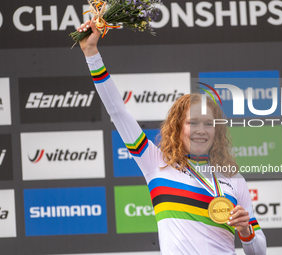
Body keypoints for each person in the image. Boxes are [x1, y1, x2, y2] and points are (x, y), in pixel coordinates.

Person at [77, 19, 266, 255]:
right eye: (192, 122)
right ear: (177, 127)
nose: (201, 130)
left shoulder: (233, 178)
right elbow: (117, 111)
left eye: (208, 123)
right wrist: (91, 53)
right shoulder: (155, 163)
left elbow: (258, 252)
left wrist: (246, 232)